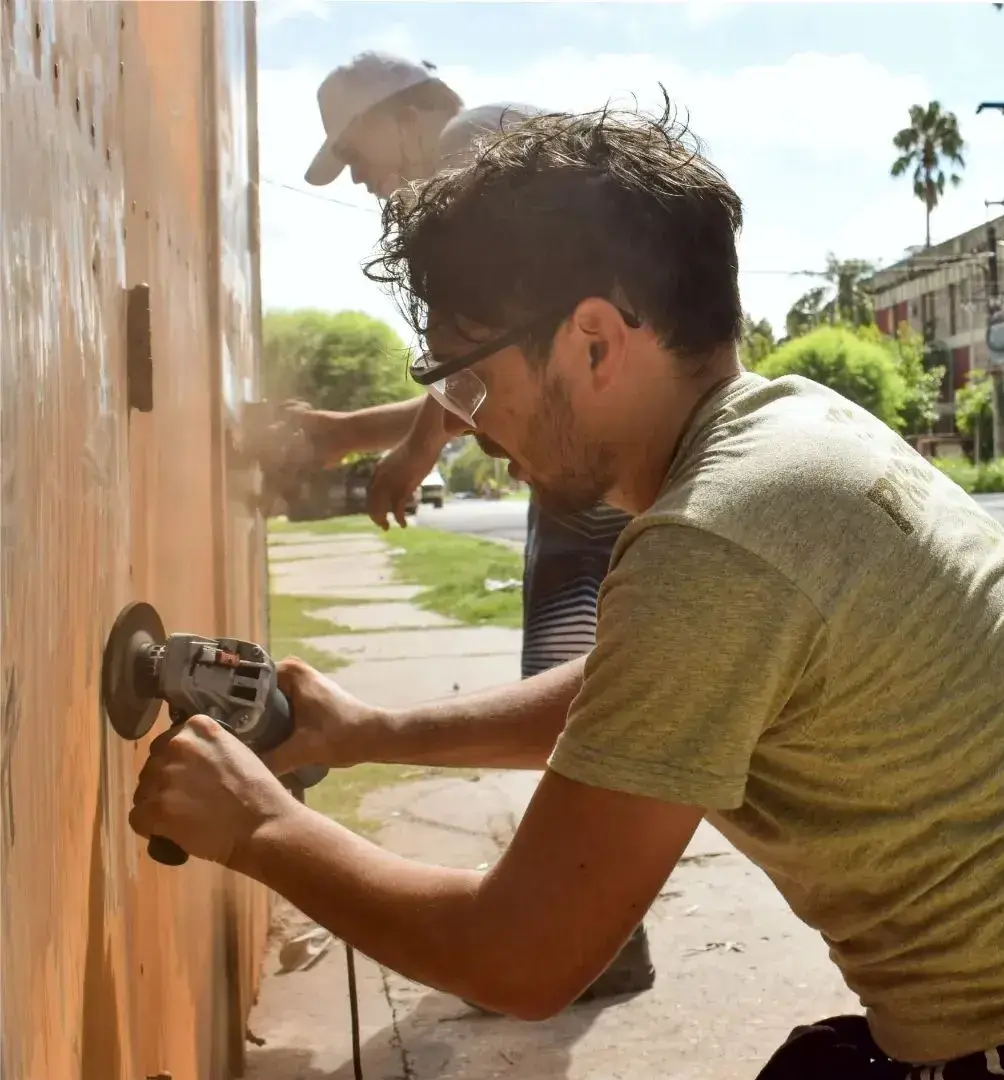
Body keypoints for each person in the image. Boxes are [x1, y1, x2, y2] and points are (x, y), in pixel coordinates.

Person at [130, 103, 1004, 1077]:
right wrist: (372, 733)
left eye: (465, 381)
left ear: (591, 342)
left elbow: (523, 955)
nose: (466, 421)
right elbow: (636, 696)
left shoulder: (716, 540)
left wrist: (258, 825)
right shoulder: (787, 431)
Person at [287, 54, 653, 1002]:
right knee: (585, 687)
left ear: (405, 116)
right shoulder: (493, 136)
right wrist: (348, 437)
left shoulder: (471, 143)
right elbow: (479, 379)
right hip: (590, 452)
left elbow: (483, 362)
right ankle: (602, 928)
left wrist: (412, 457)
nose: (362, 179)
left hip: (592, 462)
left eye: (357, 154)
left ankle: (592, 934)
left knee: (581, 692)